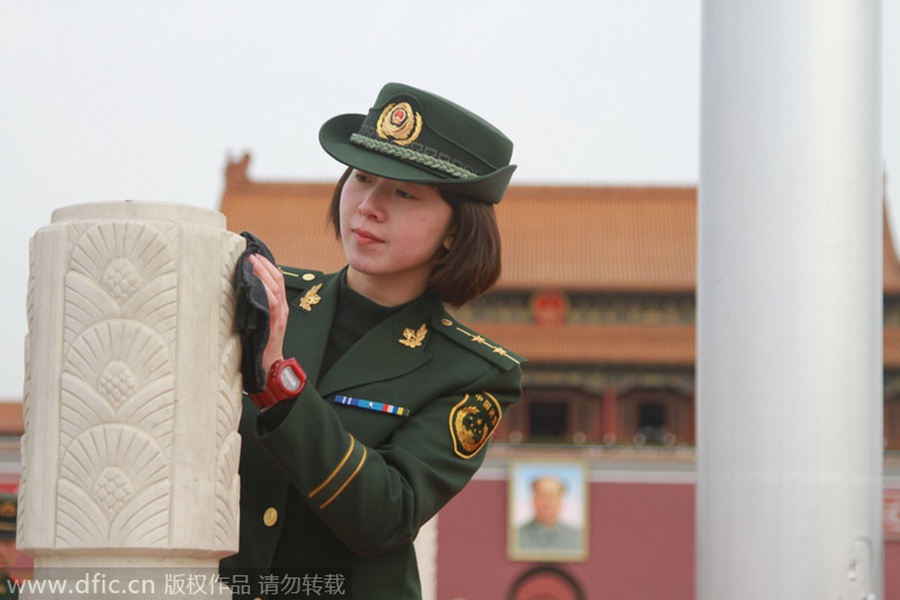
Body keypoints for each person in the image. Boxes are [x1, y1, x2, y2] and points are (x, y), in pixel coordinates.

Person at [220, 82, 525, 599]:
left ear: (456, 230)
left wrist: (279, 380)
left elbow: (384, 516)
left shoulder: (474, 374)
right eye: (361, 178)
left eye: (404, 193)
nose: (368, 207)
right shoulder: (262, 300)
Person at [517, 475, 581, 552]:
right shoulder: (517, 535)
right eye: (542, 496)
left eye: (552, 497)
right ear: (533, 500)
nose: (547, 503)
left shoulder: (576, 536)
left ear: (561, 501)